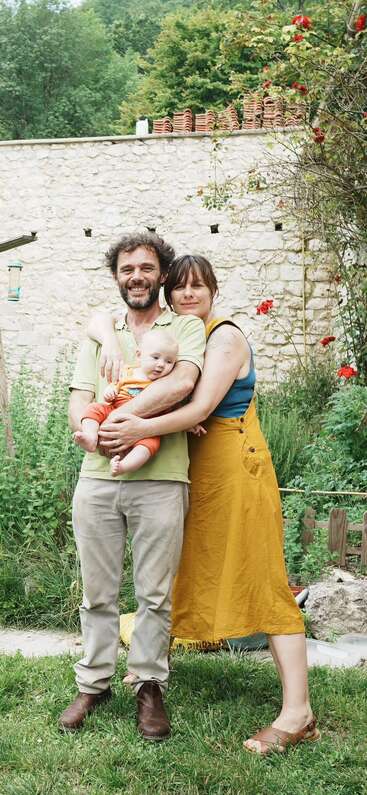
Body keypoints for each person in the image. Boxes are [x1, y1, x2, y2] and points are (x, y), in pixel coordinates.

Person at [90, 254, 319, 756]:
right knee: (180, 570)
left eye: (199, 286)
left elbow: (199, 406)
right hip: (197, 468)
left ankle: (298, 713)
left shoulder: (225, 336)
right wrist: (109, 337)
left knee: (263, 578)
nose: (188, 294)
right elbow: (101, 318)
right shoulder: (180, 337)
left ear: (214, 290)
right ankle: (147, 677)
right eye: (180, 287)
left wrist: (135, 426)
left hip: (236, 466)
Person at [59, 233, 206, 741]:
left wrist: (124, 420)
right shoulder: (101, 332)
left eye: (146, 267)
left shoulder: (184, 326)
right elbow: (81, 398)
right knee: (97, 590)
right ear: (116, 275)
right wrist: (91, 432)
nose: (136, 277)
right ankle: (95, 682)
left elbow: (180, 385)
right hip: (97, 478)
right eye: (127, 269)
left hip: (161, 478)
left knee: (154, 593)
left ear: (161, 273)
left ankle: (148, 685)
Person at [73, 328, 179, 476]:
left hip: (146, 424)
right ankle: (91, 437)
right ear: (139, 355)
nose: (161, 365)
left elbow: (173, 405)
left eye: (169, 361)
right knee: (94, 408)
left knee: (150, 444)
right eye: (155, 357)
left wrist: (192, 424)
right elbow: (115, 386)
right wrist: (110, 392)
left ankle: (123, 466)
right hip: (117, 408)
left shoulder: (166, 382)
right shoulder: (128, 372)